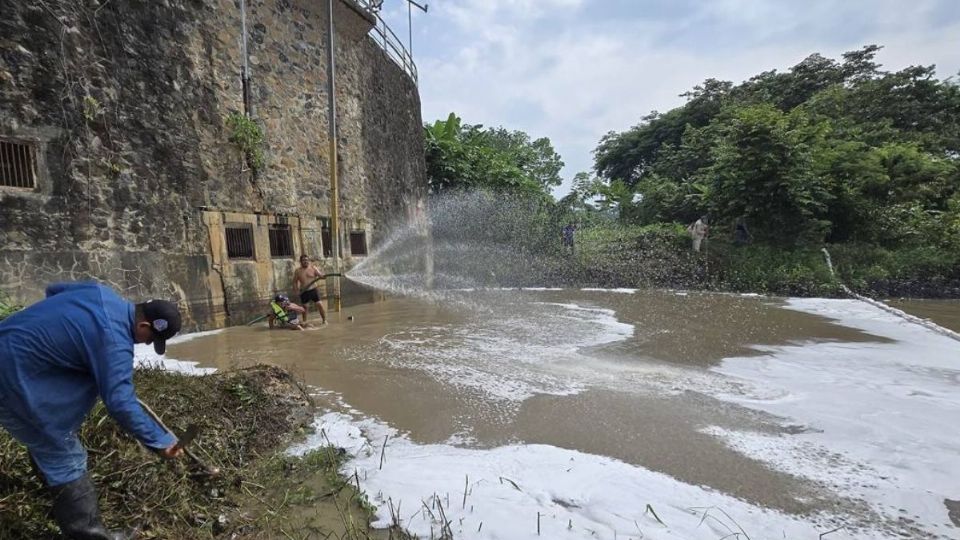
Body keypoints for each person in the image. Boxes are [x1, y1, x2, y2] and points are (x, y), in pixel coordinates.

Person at [0, 282, 184, 539]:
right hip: (13, 374)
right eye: (150, 340)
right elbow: (120, 402)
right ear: (144, 327)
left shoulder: (100, 293)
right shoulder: (114, 341)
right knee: (63, 451)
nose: (144, 344)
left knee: (45, 441)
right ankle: (89, 534)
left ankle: (57, 495)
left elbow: (54, 291)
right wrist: (160, 441)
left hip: (9, 343)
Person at [293, 255, 327, 324]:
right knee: (305, 307)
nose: (305, 261)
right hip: (304, 291)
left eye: (306, 260)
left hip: (314, 290)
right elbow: (294, 282)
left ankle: (324, 320)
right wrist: (296, 290)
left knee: (320, 305)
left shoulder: (313, 268)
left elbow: (320, 275)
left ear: (308, 261)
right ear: (301, 262)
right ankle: (305, 322)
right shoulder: (298, 271)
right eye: (303, 260)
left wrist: (322, 276)